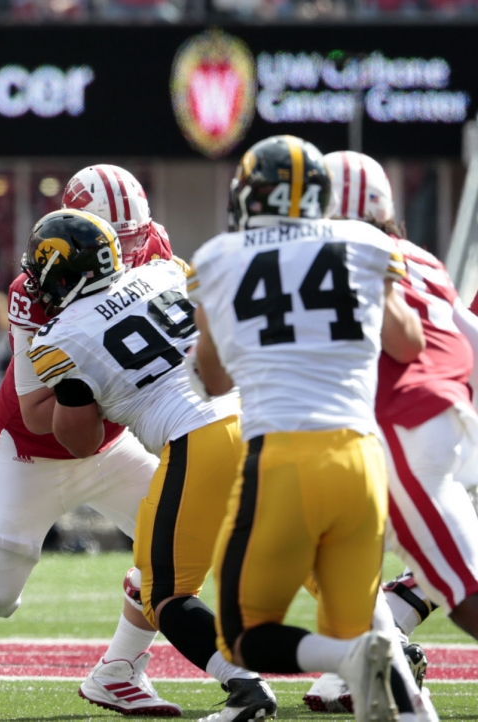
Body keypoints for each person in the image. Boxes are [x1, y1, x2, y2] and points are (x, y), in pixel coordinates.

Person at [0, 168, 269, 718]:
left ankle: (119, 673)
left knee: (174, 555)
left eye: (134, 235)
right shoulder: (35, 292)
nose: (126, 249)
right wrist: (99, 382)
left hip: (116, 440)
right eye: (113, 236)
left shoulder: (154, 249)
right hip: (33, 445)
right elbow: (40, 408)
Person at [187, 136, 425, 722]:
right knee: (366, 620)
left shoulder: (218, 257)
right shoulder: (366, 242)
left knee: (243, 635)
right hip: (362, 459)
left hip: (282, 456)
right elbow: (409, 342)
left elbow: (214, 380)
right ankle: (403, 697)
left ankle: (347, 657)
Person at [300, 150, 478, 714]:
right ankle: (394, 699)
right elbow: (465, 334)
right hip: (428, 419)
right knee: (346, 573)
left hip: (399, 428)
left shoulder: (326, 256)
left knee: (465, 591)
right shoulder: (422, 257)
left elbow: (402, 342)